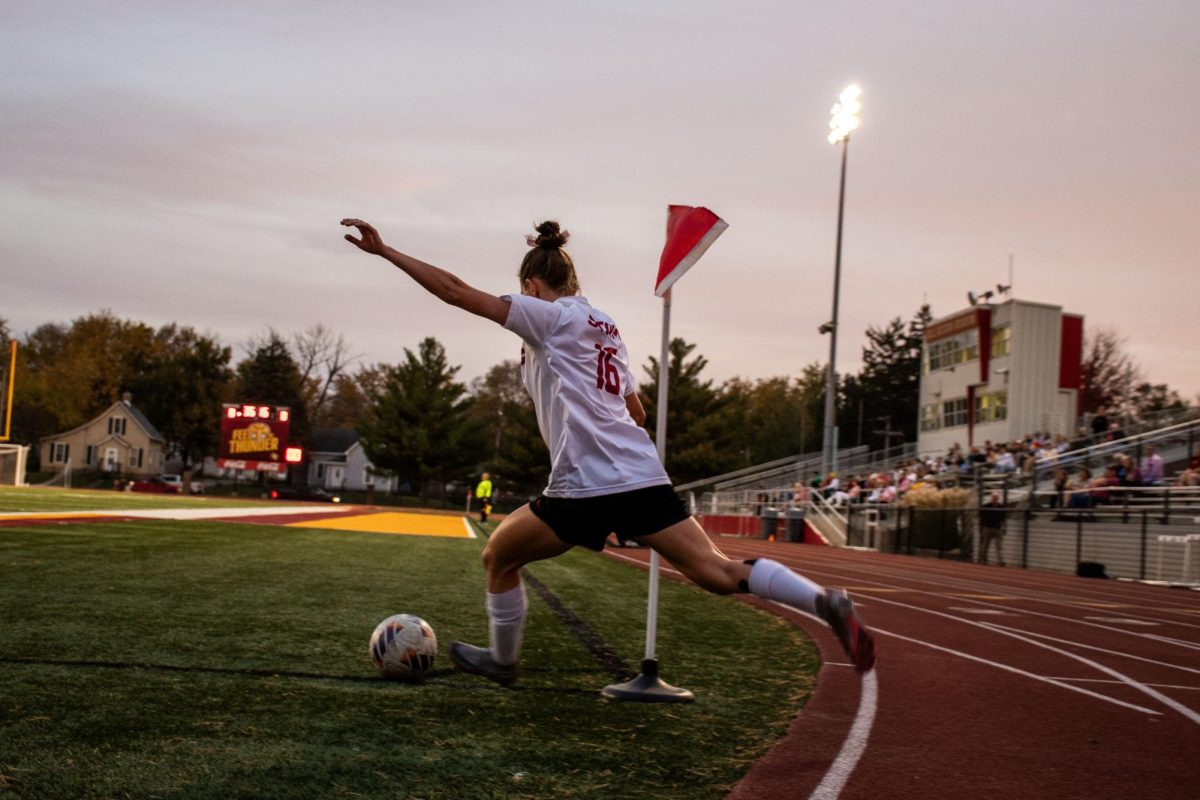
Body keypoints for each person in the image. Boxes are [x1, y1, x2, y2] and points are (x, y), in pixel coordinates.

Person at [341, 217, 876, 684]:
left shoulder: (548, 318)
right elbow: (636, 413)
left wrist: (386, 252)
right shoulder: (606, 326)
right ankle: (823, 601)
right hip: (642, 475)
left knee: (498, 556)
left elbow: (456, 291)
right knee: (716, 570)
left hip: (585, 483)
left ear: (530, 285)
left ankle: (503, 662)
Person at [978, 492, 1007, 566]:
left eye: (996, 498)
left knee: (999, 546)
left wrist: (1005, 527)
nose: (995, 499)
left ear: (998, 498)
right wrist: (981, 528)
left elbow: (1004, 518)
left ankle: (1000, 561)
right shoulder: (986, 506)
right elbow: (981, 518)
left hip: (997, 528)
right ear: (991, 498)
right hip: (988, 528)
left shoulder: (1001, 507)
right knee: (985, 545)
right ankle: (983, 559)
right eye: (994, 497)